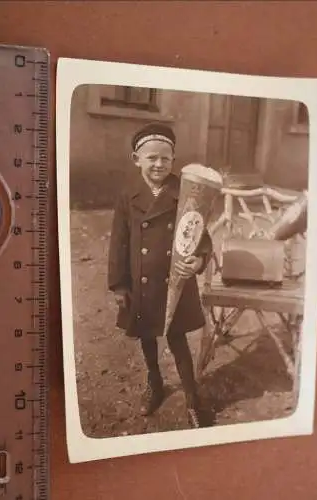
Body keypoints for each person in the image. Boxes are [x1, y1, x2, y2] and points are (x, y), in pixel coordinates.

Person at [108, 123, 213, 428]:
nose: (159, 165)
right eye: (152, 158)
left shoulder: (186, 191)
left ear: (173, 160)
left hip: (175, 282)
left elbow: (201, 232)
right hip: (142, 282)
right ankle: (155, 383)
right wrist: (119, 285)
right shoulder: (128, 195)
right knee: (147, 335)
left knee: (177, 338)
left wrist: (198, 261)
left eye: (166, 159)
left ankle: (192, 396)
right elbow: (119, 242)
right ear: (136, 159)